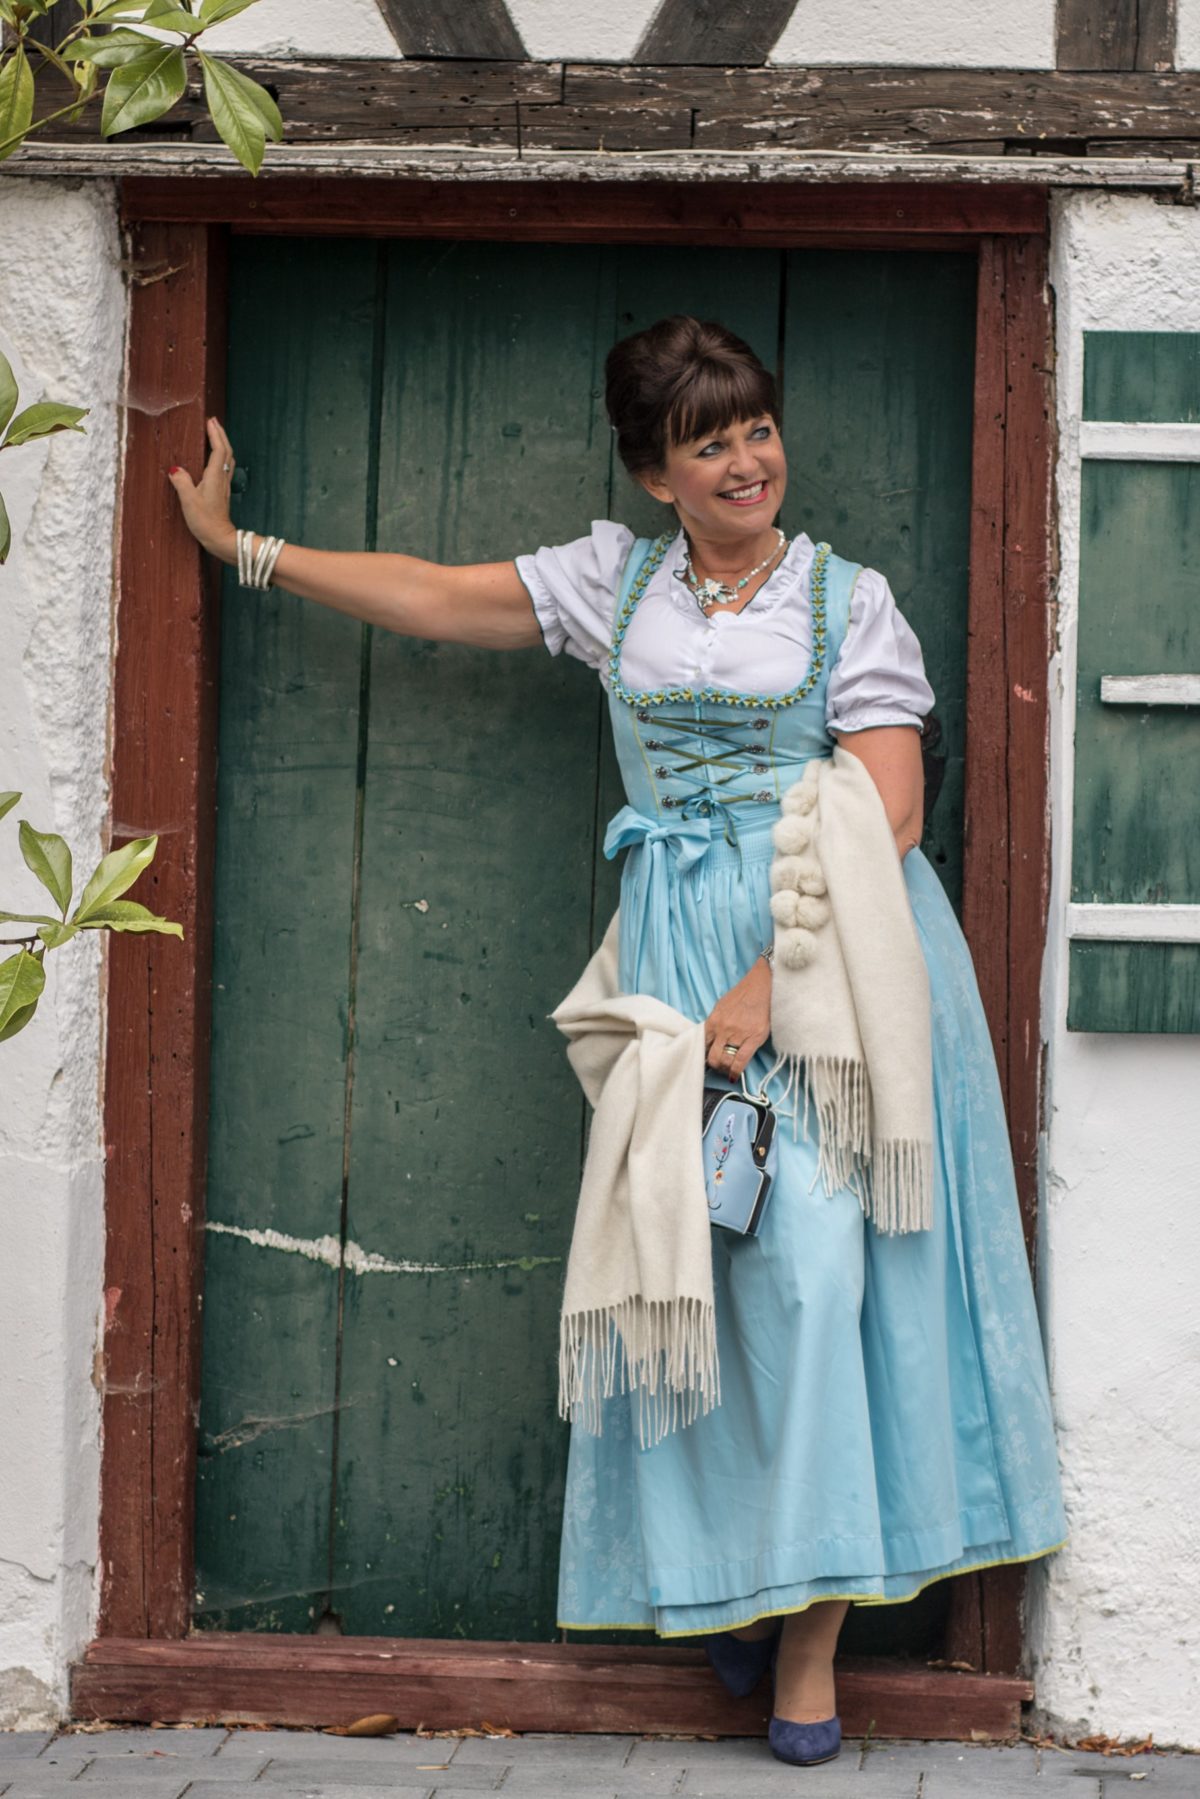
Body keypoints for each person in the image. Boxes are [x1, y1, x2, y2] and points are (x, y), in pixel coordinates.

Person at [169, 315, 1068, 1770]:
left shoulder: (847, 603)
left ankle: (809, 1644)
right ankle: (739, 1582)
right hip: (668, 959)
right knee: (692, 1268)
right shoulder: (616, 583)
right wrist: (244, 551)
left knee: (822, 1274)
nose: (747, 461)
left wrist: (769, 988)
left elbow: (891, 814)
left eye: (757, 429)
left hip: (828, 963)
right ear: (655, 474)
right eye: (710, 443)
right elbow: (434, 594)